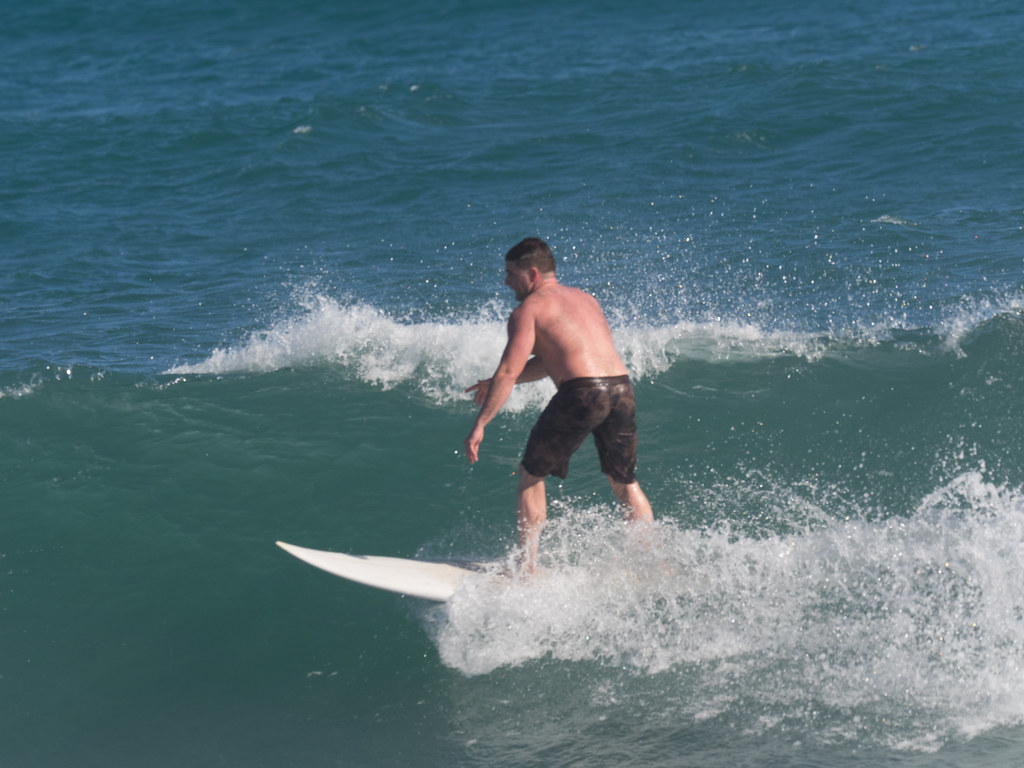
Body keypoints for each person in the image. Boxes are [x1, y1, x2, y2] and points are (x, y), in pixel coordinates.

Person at [464, 237, 653, 572]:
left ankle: (527, 569)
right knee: (624, 481)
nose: (506, 281)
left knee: (531, 474)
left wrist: (481, 423)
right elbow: (554, 360)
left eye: (511, 273)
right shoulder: (585, 299)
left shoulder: (527, 312)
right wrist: (494, 383)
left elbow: (509, 370)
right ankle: (649, 560)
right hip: (621, 387)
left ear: (532, 274)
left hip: (582, 394)